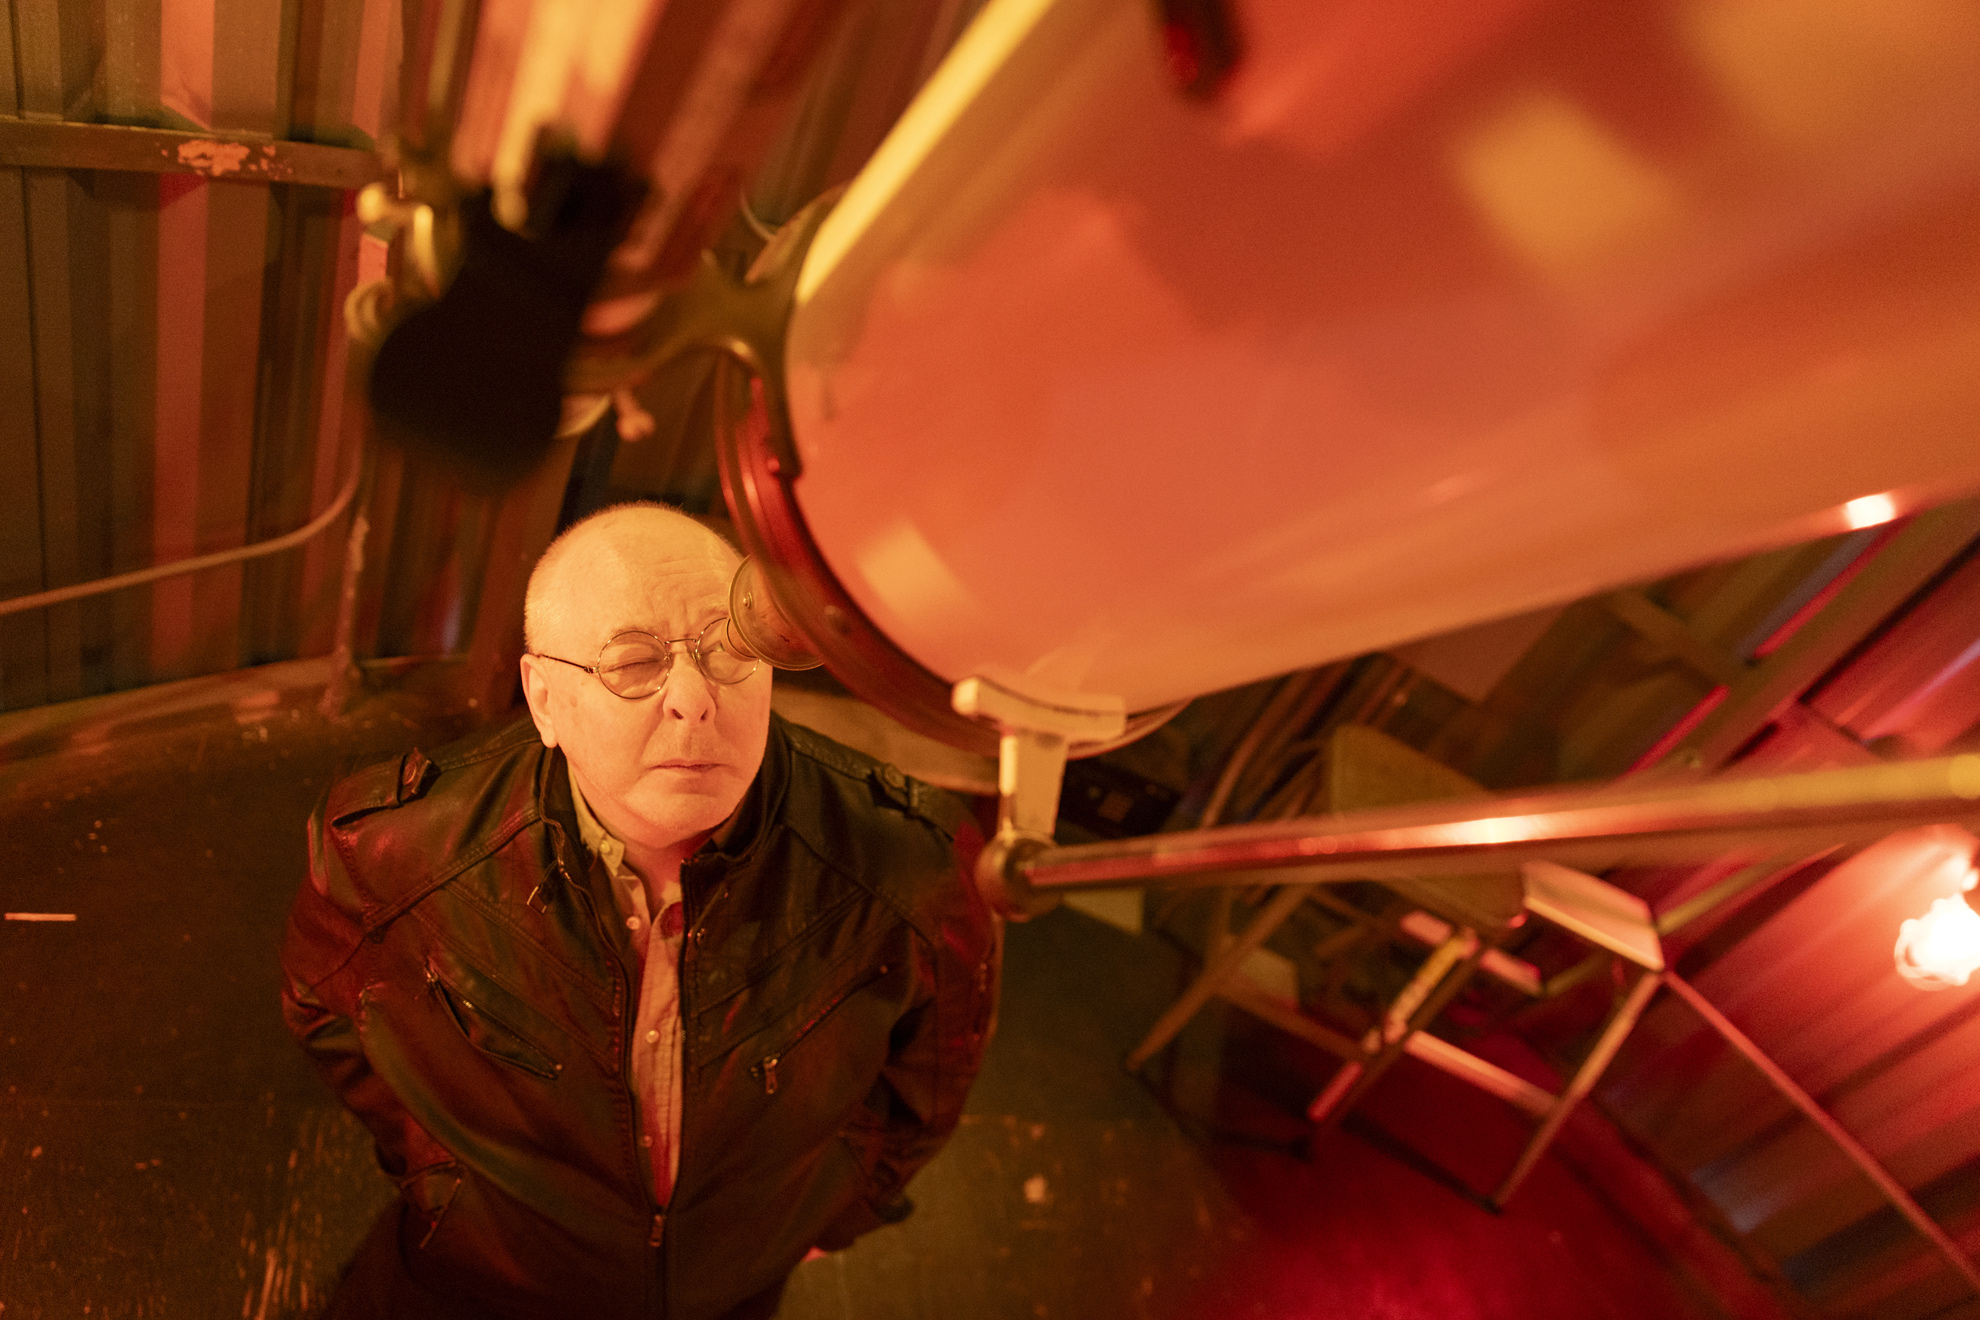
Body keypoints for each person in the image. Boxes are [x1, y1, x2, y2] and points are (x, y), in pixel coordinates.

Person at [281, 502, 1000, 1320]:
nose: (693, 699)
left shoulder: (910, 865)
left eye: (730, 653)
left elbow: (934, 1074)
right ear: (545, 700)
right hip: (482, 1281)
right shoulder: (398, 856)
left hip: (727, 1286)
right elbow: (325, 1015)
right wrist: (442, 1177)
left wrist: (831, 1211)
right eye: (632, 663)